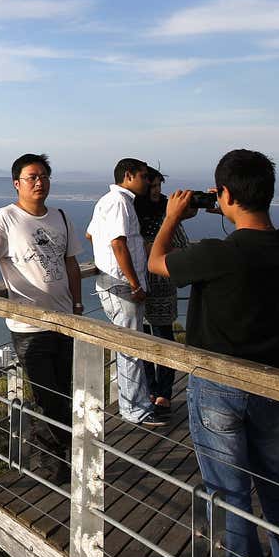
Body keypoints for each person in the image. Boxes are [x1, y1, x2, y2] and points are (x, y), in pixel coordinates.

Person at [147, 149, 279, 557]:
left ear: (224, 194)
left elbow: (158, 262)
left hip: (217, 384)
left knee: (229, 489)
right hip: (270, 383)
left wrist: (171, 216)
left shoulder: (218, 255)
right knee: (277, 479)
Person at [0, 153, 84, 483]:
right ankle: (51, 468)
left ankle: (63, 462)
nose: (39, 182)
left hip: (64, 320)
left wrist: (77, 305)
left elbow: (71, 264)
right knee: (46, 397)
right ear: (17, 183)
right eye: (32, 177)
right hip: (28, 324)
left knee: (63, 392)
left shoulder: (60, 216)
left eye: (43, 176)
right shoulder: (5, 218)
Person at [87, 158, 162, 426]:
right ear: (128, 175)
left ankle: (134, 405)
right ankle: (134, 411)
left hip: (111, 284)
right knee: (130, 349)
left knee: (128, 347)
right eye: (143, 176)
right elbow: (118, 243)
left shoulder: (108, 201)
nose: (148, 181)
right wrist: (135, 283)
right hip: (122, 286)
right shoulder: (119, 202)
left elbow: (91, 236)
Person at [135, 167, 188, 412]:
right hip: (141, 286)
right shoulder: (133, 213)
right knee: (142, 341)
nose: (156, 191)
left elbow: (182, 245)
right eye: (152, 186)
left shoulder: (168, 214)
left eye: (159, 186)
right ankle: (150, 390)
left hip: (163, 285)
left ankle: (164, 392)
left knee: (164, 339)